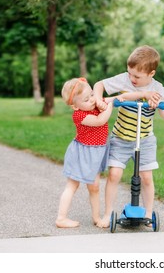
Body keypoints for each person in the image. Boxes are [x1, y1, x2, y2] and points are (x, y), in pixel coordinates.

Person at [94, 45, 164, 228]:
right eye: (130, 74)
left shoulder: (158, 88)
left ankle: (147, 214)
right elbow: (100, 85)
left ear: (151, 73)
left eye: (137, 76)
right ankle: (107, 214)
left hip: (145, 140)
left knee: (146, 177)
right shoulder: (123, 80)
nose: (132, 79)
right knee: (114, 174)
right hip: (120, 138)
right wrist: (99, 98)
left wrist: (159, 104)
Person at [56, 77, 114, 228]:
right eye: (87, 99)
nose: (92, 100)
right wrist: (109, 107)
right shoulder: (79, 115)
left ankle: (96, 218)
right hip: (82, 153)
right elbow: (100, 121)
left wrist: (112, 99)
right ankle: (61, 218)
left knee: (94, 186)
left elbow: (113, 98)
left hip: (96, 152)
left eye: (92, 95)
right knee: (72, 185)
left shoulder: (93, 104)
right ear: (75, 106)